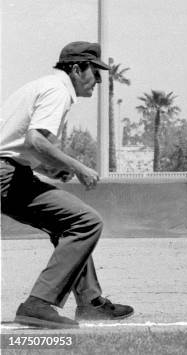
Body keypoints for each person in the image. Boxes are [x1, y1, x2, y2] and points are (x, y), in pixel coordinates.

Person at [0, 41, 133, 329]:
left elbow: (22, 144)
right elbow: (36, 139)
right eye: (93, 71)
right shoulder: (59, 90)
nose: (98, 79)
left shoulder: (45, 85)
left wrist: (51, 167)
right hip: (6, 174)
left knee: (70, 224)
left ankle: (89, 301)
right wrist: (77, 167)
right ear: (75, 69)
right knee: (86, 221)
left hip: (12, 171)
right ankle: (38, 304)